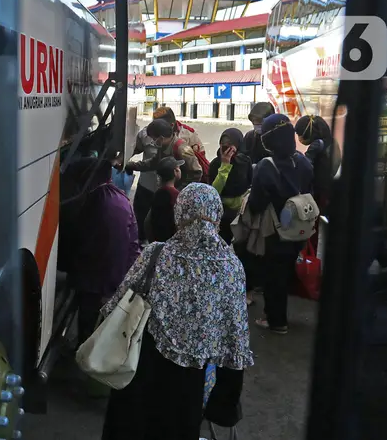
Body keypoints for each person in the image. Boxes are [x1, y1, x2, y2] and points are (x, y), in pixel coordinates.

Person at [101, 183, 254, 440]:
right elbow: (236, 337)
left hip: (139, 369)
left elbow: (114, 306)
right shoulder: (231, 267)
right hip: (188, 384)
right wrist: (225, 399)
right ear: (216, 215)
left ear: (180, 213)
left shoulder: (156, 254)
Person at [63, 154, 142, 345]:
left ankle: (84, 353)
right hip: (117, 274)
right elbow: (133, 238)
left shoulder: (90, 202)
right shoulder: (120, 197)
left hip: (94, 277)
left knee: (88, 318)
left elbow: (78, 242)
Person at [249, 114, 314, 334]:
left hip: (276, 230)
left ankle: (276, 321)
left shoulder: (266, 166)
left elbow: (256, 203)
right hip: (300, 227)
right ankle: (278, 314)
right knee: (286, 271)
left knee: (272, 275)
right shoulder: (303, 161)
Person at [128, 119, 202, 242]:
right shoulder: (163, 146)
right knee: (151, 223)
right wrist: (134, 165)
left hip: (177, 196)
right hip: (166, 192)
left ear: (161, 138)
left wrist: (180, 191)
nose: (152, 142)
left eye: (153, 139)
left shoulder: (181, 148)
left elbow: (197, 172)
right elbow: (153, 163)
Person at [209, 128, 253, 245]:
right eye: (223, 145)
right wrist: (225, 165)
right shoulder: (215, 164)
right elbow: (214, 191)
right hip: (222, 213)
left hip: (241, 213)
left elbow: (250, 183)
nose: (227, 148)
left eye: (230, 145)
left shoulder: (244, 161)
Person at [294, 115, 342, 211]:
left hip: (318, 191)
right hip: (328, 187)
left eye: (300, 135)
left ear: (308, 133)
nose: (299, 139)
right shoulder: (331, 140)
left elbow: (305, 165)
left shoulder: (317, 145)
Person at [144, 156, 183, 242]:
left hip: (157, 240)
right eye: (178, 168)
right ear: (175, 172)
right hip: (170, 242)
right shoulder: (177, 196)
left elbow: (148, 221)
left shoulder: (157, 193)